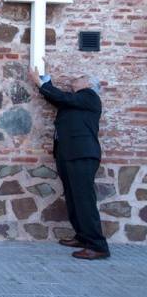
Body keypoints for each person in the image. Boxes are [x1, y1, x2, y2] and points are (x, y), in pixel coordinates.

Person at [29, 57, 109, 260]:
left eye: (79, 78)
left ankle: (97, 245)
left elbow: (64, 98)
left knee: (83, 200)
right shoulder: (76, 103)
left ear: (89, 84)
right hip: (69, 154)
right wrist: (44, 80)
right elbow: (57, 98)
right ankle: (82, 237)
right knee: (74, 199)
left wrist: (41, 82)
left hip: (82, 154)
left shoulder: (90, 97)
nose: (74, 79)